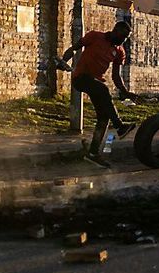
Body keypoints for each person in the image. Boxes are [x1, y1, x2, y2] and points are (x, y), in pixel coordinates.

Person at [57, 20, 138, 168]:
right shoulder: (95, 36)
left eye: (126, 37)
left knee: (103, 117)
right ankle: (120, 127)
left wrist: (125, 92)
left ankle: (93, 153)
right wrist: (63, 61)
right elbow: (74, 48)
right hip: (81, 78)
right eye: (122, 35)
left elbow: (116, 76)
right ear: (115, 30)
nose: (123, 39)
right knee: (103, 89)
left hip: (95, 83)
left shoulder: (119, 52)